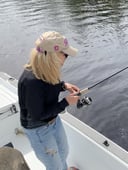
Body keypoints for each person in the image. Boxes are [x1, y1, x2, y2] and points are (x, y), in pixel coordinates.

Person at [18, 31, 80, 170]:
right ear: (52, 55)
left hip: (53, 121)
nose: (67, 57)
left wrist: (63, 86)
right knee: (54, 166)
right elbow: (37, 115)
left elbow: (49, 85)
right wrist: (66, 102)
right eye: (65, 54)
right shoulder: (31, 82)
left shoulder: (46, 68)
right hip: (38, 129)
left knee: (64, 152)